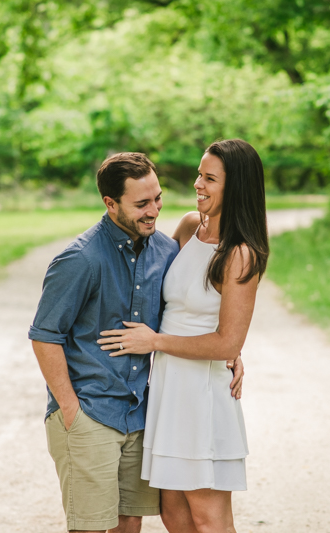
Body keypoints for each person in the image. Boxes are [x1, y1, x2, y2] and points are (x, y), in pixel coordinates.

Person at [29, 152, 244, 533]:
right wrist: (69, 409)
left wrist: (230, 349)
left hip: (142, 414)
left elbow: (189, 307)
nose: (154, 211)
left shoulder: (165, 250)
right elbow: (45, 336)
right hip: (91, 412)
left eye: (158, 199)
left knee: (130, 522)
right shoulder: (80, 259)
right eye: (141, 204)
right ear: (110, 203)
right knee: (91, 526)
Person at [97, 139, 269, 533]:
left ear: (236, 187)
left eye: (210, 179)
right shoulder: (191, 226)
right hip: (169, 390)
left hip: (201, 396)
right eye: (199, 174)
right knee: (174, 515)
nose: (198, 185)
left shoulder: (241, 253)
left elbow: (227, 342)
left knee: (209, 519)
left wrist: (156, 342)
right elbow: (162, 294)